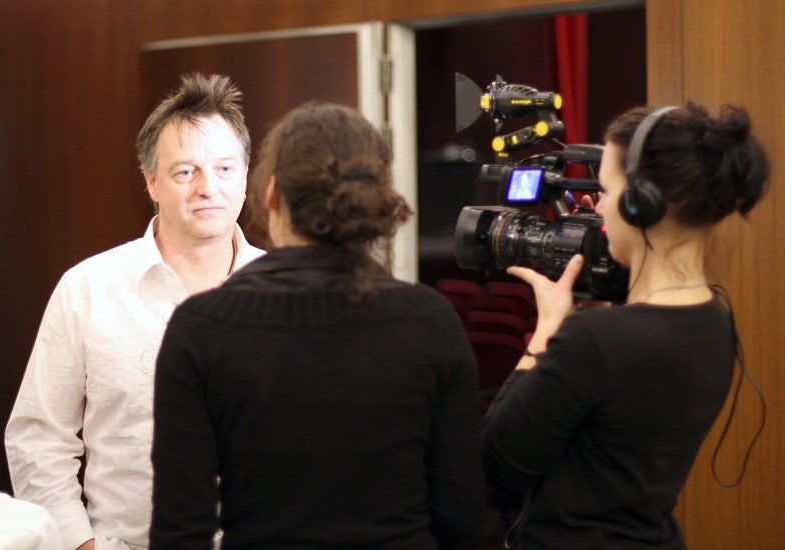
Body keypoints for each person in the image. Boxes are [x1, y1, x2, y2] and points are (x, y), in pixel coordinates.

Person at [149, 102, 486, 549]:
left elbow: (179, 533)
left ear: (271, 194)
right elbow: (462, 516)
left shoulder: (201, 328)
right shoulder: (430, 321)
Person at [482, 102, 769, 548]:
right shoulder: (715, 317)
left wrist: (547, 330)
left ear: (641, 204)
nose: (599, 208)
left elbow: (495, 469)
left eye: (606, 190)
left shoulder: (595, 340)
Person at [5, 73, 265, 550]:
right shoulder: (87, 289)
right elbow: (37, 440)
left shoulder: (288, 295)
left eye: (225, 168)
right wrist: (80, 545)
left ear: (246, 176)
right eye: (185, 172)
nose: (208, 187)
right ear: (151, 183)